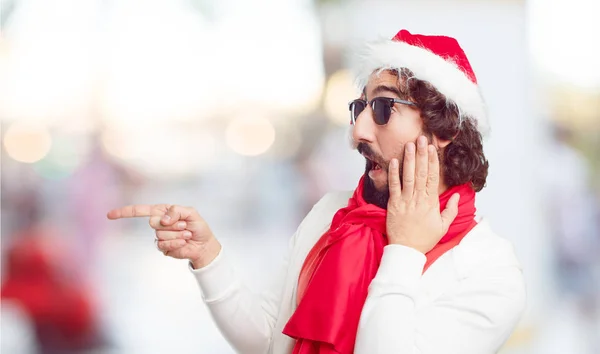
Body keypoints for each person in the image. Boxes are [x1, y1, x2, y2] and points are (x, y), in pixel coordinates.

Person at [108, 29, 526, 354]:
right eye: (359, 109)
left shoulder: (489, 270)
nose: (357, 132)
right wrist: (208, 257)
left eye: (383, 109)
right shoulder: (332, 214)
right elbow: (271, 340)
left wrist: (405, 251)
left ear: (445, 128)